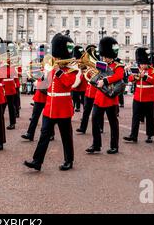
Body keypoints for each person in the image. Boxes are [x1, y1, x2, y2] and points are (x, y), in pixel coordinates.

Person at [24, 33, 80, 171]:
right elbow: (46, 84)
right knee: (44, 134)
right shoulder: (51, 66)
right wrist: (39, 75)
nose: (55, 58)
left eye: (57, 56)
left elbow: (69, 83)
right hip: (50, 105)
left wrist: (59, 71)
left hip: (63, 107)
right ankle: (37, 161)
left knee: (66, 136)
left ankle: (69, 160)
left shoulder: (71, 69)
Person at [86, 37, 125, 155]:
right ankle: (96, 145)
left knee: (113, 123)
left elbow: (118, 77)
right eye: (103, 56)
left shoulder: (118, 65)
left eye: (106, 57)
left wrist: (106, 81)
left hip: (110, 98)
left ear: (111, 56)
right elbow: (96, 75)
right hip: (99, 98)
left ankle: (114, 146)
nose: (104, 58)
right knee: (95, 120)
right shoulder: (101, 65)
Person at [123, 48, 154, 144]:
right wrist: (135, 77)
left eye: (144, 64)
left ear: (148, 63)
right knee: (135, 117)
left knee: (149, 118)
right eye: (141, 64)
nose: (142, 66)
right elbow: (130, 78)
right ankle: (133, 136)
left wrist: (146, 77)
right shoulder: (137, 69)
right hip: (137, 97)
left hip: (149, 97)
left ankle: (149, 135)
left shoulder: (153, 71)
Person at [21, 45, 56, 142]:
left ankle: (51, 134)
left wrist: (38, 83)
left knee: (49, 117)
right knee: (34, 117)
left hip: (47, 96)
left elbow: (48, 84)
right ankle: (30, 133)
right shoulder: (44, 69)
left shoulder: (51, 70)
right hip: (39, 97)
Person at [76, 45, 100, 134]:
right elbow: (84, 77)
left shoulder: (99, 66)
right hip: (88, 92)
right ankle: (83, 128)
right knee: (86, 111)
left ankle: (100, 127)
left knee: (97, 113)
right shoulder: (88, 67)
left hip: (96, 91)